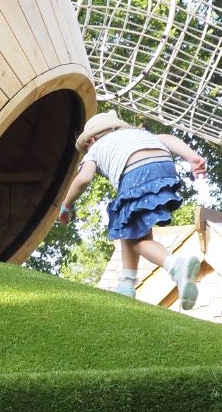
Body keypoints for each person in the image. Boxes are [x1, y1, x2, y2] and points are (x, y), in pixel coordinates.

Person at [59, 111, 207, 308]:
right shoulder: (139, 134)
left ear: (91, 139)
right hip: (164, 166)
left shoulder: (95, 149)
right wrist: (192, 157)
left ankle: (176, 266)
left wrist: (65, 205)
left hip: (136, 172)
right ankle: (127, 285)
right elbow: (166, 139)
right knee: (127, 222)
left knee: (138, 240)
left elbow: (84, 178)